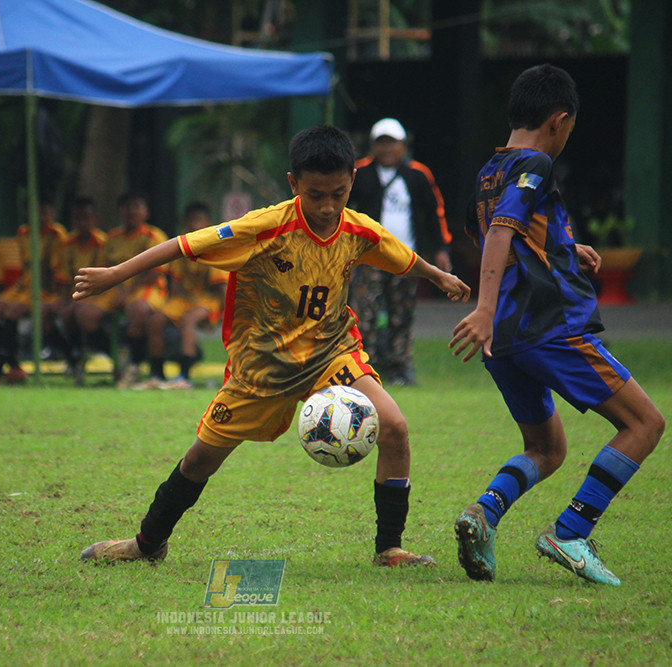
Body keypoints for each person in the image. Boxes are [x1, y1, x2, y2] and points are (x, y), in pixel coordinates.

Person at [75, 126, 470, 566]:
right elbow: (183, 245)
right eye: (315, 194)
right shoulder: (263, 227)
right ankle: (145, 545)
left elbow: (401, 257)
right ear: (292, 183)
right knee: (200, 460)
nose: (326, 206)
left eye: (337, 194)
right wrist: (114, 274)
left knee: (394, 425)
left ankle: (389, 547)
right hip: (263, 368)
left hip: (330, 353)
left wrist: (438, 276)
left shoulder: (358, 230)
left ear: (351, 183)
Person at [449, 64, 665, 586]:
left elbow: (511, 230)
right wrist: (482, 304)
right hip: (548, 329)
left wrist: (566, 249)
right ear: (559, 120)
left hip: (502, 341)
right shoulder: (538, 162)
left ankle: (483, 513)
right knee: (644, 424)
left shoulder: (489, 170)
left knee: (547, 449)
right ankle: (570, 531)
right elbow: (502, 230)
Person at [346, 118, 453, 386]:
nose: (387, 149)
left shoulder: (418, 175)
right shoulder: (359, 173)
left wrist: (441, 248)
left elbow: (434, 213)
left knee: (401, 315)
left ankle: (400, 368)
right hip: (366, 258)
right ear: (372, 146)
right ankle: (363, 367)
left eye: (392, 143)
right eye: (381, 143)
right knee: (363, 314)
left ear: (403, 145)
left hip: (405, 259)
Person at [73, 191, 168, 387]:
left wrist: (128, 292)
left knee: (138, 310)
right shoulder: (112, 238)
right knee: (85, 314)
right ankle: (117, 356)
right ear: (120, 212)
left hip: (146, 288)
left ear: (146, 212)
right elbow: (102, 268)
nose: (131, 211)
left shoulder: (153, 236)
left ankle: (134, 364)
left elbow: (156, 272)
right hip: (115, 290)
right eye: (126, 207)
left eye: (136, 207)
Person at [133, 201, 228, 390]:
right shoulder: (182, 246)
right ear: (185, 223)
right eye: (191, 220)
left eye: (199, 220)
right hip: (185, 300)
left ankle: (184, 377)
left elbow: (222, 287)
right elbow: (175, 284)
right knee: (156, 320)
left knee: (189, 319)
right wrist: (169, 306)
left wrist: (225, 313)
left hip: (208, 300)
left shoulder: (215, 247)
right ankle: (157, 374)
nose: (194, 225)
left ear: (207, 222)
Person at [0, 200, 68, 386]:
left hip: (45, 289)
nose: (40, 216)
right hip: (24, 286)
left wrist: (56, 298)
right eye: (35, 211)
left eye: (45, 211)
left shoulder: (56, 235)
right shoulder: (23, 233)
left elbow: (51, 269)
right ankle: (14, 365)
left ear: (52, 213)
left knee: (13, 313)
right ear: (27, 213)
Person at [53, 196, 107, 381]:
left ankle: (105, 350)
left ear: (95, 218)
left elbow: (105, 276)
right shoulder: (66, 244)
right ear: (72, 220)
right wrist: (63, 299)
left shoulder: (103, 243)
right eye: (78, 217)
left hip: (99, 293)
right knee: (58, 312)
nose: (82, 221)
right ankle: (73, 355)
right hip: (74, 294)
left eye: (87, 216)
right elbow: (63, 277)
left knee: (81, 312)